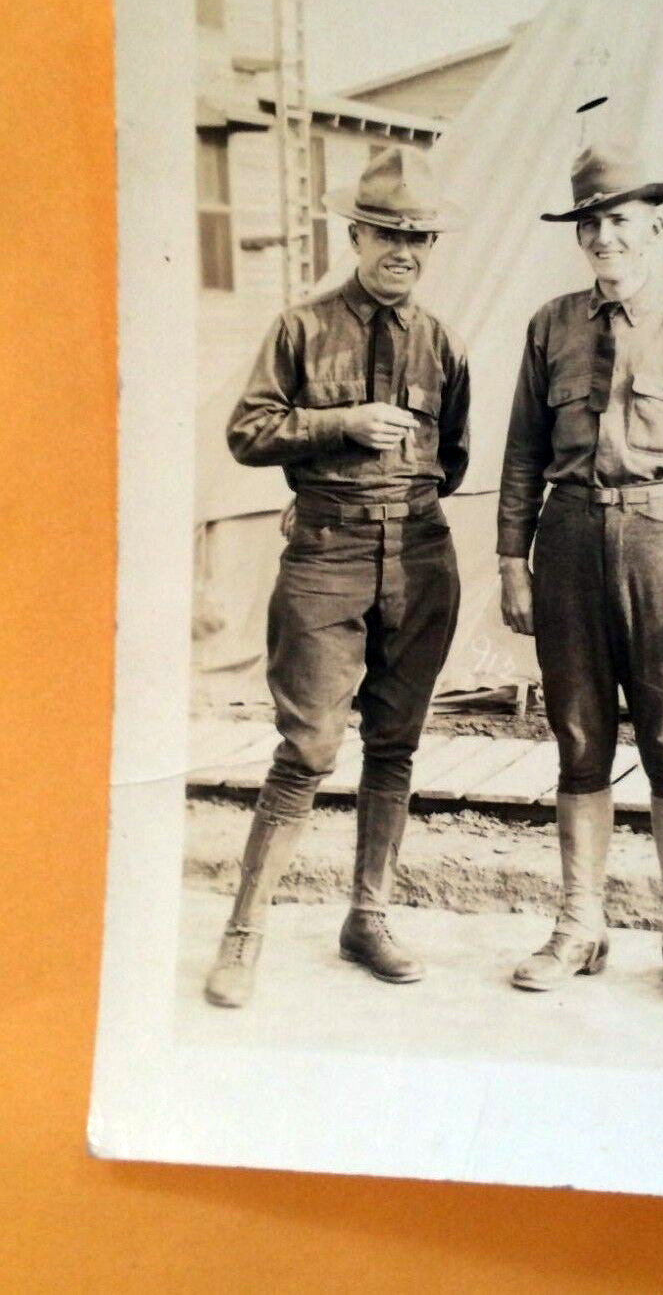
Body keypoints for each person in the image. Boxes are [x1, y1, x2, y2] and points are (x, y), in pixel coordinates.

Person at [204, 144, 470, 1007]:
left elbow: (452, 460)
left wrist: (399, 512)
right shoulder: (300, 327)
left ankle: (369, 919)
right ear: (354, 236)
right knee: (309, 748)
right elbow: (247, 433)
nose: (403, 251)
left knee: (393, 744)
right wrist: (340, 425)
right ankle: (243, 936)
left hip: (420, 558)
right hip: (326, 554)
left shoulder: (443, 344)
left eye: (418, 238)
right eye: (388, 234)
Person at [497, 141, 663, 1006]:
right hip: (567, 540)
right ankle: (580, 925)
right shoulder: (549, 325)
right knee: (578, 743)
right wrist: (512, 560)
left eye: (619, 221)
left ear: (654, 229)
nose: (603, 237)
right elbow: (522, 452)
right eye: (589, 224)